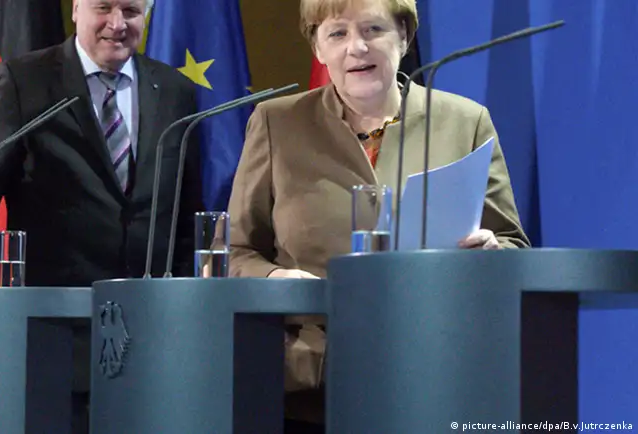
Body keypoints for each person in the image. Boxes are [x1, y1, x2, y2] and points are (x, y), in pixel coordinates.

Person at [226, 0, 530, 432]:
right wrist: (276, 279)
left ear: (403, 37)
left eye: (373, 29)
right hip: (308, 389)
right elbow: (237, 251)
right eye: (337, 34)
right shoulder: (277, 123)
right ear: (318, 48)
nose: (357, 47)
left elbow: (513, 246)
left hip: (435, 375)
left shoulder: (465, 121)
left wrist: (492, 255)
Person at [0, 0, 201, 432]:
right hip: (52, 340)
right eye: (103, 7)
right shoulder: (25, 82)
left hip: (152, 342)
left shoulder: (175, 90)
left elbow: (185, 216)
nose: (117, 24)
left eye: (131, 10)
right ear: (75, 9)